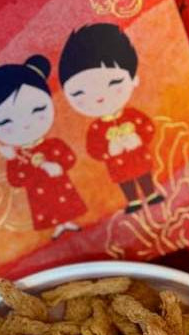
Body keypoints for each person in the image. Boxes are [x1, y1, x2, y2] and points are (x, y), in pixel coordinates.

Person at [0, 56, 86, 238]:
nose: (26, 124)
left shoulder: (52, 145)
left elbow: (69, 158)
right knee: (48, 207)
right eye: (5, 121)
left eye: (37, 110)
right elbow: (16, 180)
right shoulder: (18, 155)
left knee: (65, 203)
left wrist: (56, 165)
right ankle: (59, 226)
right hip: (38, 192)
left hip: (60, 184)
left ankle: (68, 222)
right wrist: (12, 158)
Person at [58, 23, 164, 214]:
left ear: (133, 79)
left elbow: (148, 128)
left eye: (114, 82)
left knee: (144, 175)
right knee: (125, 182)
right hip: (117, 164)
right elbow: (93, 149)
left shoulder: (132, 116)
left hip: (139, 156)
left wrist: (138, 138)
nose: (99, 97)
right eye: (80, 93)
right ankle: (133, 201)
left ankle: (150, 194)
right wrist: (109, 150)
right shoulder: (97, 128)